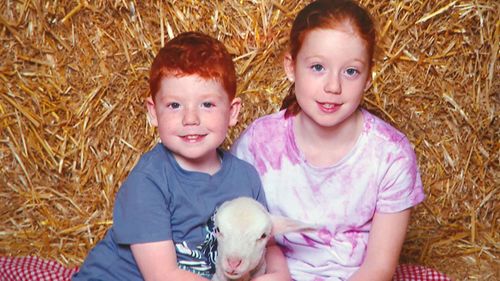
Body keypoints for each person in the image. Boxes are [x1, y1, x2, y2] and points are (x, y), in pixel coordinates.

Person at [231, 0, 426, 280]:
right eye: (318, 67)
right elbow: (238, 227)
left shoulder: (391, 154)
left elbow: (379, 268)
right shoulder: (258, 143)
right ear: (291, 66)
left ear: (368, 77)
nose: (333, 86)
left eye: (350, 72)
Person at [73, 32, 290, 281]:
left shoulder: (245, 177)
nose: (190, 119)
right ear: (154, 113)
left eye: (207, 104)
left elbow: (265, 240)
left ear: (232, 112)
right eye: (175, 105)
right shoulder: (149, 182)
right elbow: (162, 275)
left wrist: (278, 274)